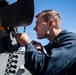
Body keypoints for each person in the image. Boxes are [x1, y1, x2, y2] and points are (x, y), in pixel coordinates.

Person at [15, 9, 76, 75]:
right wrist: (41, 53)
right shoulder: (59, 43)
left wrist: (27, 43)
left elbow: (43, 69)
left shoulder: (72, 41)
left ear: (50, 23)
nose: (34, 28)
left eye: (37, 23)